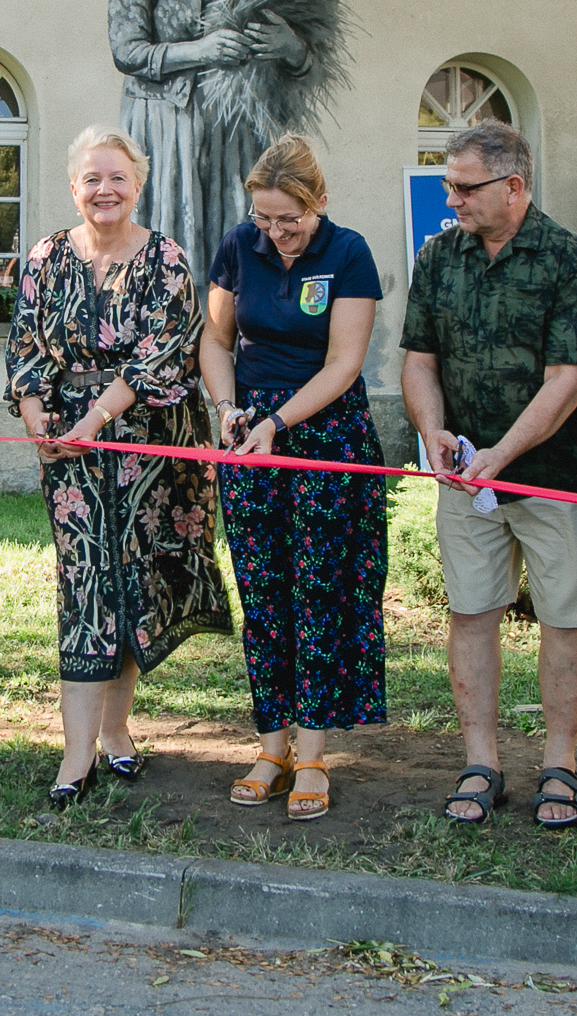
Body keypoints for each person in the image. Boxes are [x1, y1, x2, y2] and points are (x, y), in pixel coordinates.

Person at [8, 126, 230, 810]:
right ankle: (75, 757)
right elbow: (25, 343)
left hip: (147, 437)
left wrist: (92, 420)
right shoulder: (45, 256)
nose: (105, 190)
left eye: (118, 178)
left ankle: (114, 723)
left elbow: (164, 357)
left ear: (138, 183)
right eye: (92, 179)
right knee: (85, 581)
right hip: (67, 447)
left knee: (131, 578)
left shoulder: (167, 260)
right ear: (74, 186)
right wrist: (35, 412)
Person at [402, 125, 577, 830]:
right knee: (470, 610)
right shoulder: (438, 256)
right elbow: (420, 359)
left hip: (556, 473)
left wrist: (507, 452)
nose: (453, 198)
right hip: (467, 478)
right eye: (448, 185)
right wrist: (433, 429)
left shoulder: (569, 262)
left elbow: (567, 382)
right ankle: (481, 762)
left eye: (466, 187)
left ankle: (561, 764)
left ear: (514, 186)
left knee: (562, 617)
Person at [200, 136, 385, 821]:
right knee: (264, 593)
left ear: (320, 201)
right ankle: (270, 743)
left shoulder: (348, 252)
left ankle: (312, 751)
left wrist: (277, 420)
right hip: (250, 439)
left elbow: (343, 364)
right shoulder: (238, 245)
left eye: (290, 220)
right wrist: (228, 408)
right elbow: (216, 342)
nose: (276, 234)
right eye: (264, 219)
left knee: (317, 594)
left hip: (323, 441)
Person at [109, 0, 314, 283]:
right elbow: (128, 51)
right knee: (168, 241)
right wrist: (202, 50)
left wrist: (291, 47)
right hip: (163, 127)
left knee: (232, 243)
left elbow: (300, 64)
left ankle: (229, 334)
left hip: (229, 131)